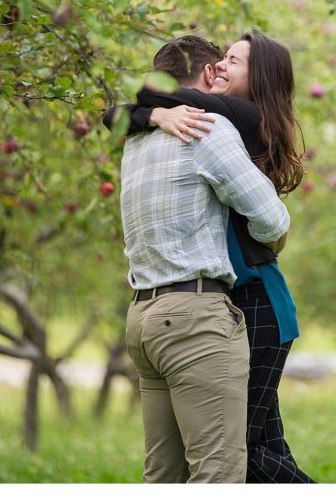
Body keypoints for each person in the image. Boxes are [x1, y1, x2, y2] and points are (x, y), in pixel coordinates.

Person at [108, 32, 316, 483]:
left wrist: (153, 109)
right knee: (232, 460)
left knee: (235, 455)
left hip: (249, 302)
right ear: (205, 72)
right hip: (205, 312)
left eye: (234, 60)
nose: (222, 65)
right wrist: (155, 112)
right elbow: (128, 108)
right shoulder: (192, 125)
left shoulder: (228, 119)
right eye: (220, 58)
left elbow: (272, 223)